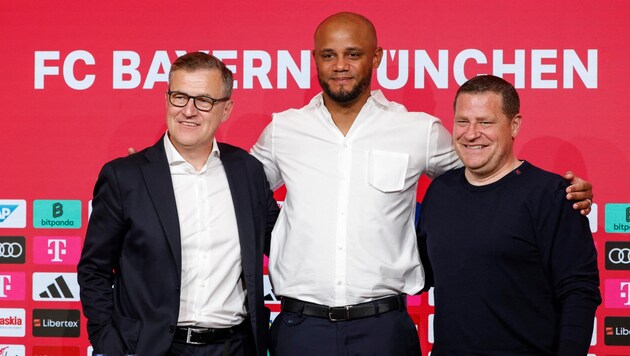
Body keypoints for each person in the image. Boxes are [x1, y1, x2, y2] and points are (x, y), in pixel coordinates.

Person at [250, 12, 594, 356]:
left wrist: (557, 194)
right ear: (315, 60)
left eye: (353, 54)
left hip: (384, 329)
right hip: (301, 327)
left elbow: (488, 170)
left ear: (376, 57)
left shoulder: (418, 130)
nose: (340, 65)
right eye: (328, 55)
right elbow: (238, 190)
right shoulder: (284, 130)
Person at [78, 52, 279, 356]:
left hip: (235, 347)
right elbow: (94, 269)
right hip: (152, 348)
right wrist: (108, 340)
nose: (189, 110)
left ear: (226, 109)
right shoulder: (125, 176)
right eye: (180, 97)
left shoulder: (246, 171)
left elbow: (279, 244)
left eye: (204, 100)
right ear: (167, 99)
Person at [417, 75, 601, 355]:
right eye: (463, 121)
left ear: (514, 125)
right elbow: (420, 274)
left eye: (486, 122)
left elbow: (579, 290)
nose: (471, 133)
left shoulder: (552, 195)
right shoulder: (440, 191)